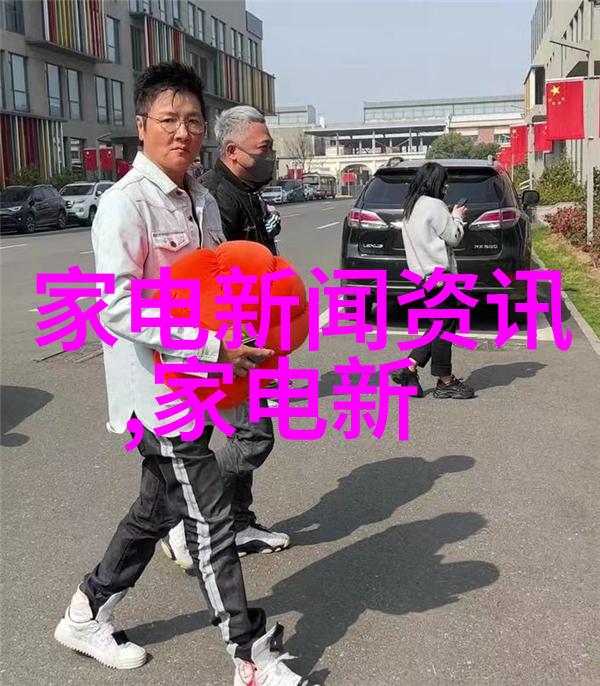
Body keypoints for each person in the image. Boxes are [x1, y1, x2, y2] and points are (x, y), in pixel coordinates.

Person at [53, 62, 311, 686]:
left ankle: (85, 612)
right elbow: (116, 306)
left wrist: (251, 333)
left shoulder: (202, 199)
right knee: (210, 518)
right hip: (157, 390)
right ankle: (249, 657)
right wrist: (211, 347)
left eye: (193, 120)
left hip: (201, 382)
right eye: (168, 119)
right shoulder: (124, 205)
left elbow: (221, 282)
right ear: (141, 125)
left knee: (155, 509)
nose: (182, 131)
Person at [161, 106, 287, 570]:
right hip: (226, 344)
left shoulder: (243, 191)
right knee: (253, 436)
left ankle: (236, 520)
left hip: (246, 335)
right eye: (264, 148)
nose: (270, 155)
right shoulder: (217, 197)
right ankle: (181, 516)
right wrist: (227, 345)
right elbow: (212, 279)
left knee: (222, 432)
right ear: (233, 151)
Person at [391, 161, 475, 399]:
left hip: (422, 276)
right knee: (444, 328)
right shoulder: (435, 205)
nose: (446, 187)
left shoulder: (411, 205)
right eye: (444, 183)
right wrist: (457, 217)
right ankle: (445, 380)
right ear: (436, 183)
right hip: (440, 277)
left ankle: (409, 368)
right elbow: (454, 236)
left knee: (440, 325)